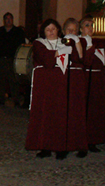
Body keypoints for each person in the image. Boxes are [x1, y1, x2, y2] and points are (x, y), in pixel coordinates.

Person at [25, 19, 70, 160]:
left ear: (58, 30)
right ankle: (44, 146)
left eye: (53, 29)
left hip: (60, 82)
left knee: (59, 114)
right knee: (44, 114)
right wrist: (59, 52)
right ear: (43, 32)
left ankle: (60, 147)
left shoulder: (65, 42)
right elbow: (44, 57)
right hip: (44, 83)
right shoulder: (39, 43)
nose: (51, 32)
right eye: (47, 29)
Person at [79, 15, 105, 153]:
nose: (90, 28)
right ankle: (86, 141)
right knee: (89, 112)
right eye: (87, 25)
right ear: (81, 29)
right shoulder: (80, 42)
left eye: (91, 25)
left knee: (98, 112)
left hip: (101, 82)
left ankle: (99, 137)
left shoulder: (99, 44)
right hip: (88, 81)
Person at [62, 18, 88, 157]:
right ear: (63, 30)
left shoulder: (81, 41)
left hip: (77, 79)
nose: (71, 32)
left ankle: (80, 145)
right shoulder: (60, 41)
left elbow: (80, 57)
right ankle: (63, 145)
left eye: (74, 30)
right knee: (63, 112)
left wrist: (75, 40)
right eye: (68, 30)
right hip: (64, 77)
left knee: (77, 112)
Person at [0, 12, 25, 106]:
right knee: (0, 80)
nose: (8, 20)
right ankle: (1, 98)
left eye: (10, 18)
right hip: (2, 58)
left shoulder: (18, 31)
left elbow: (21, 45)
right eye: (6, 18)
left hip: (13, 59)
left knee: (14, 80)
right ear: (4, 20)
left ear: (13, 19)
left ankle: (16, 99)